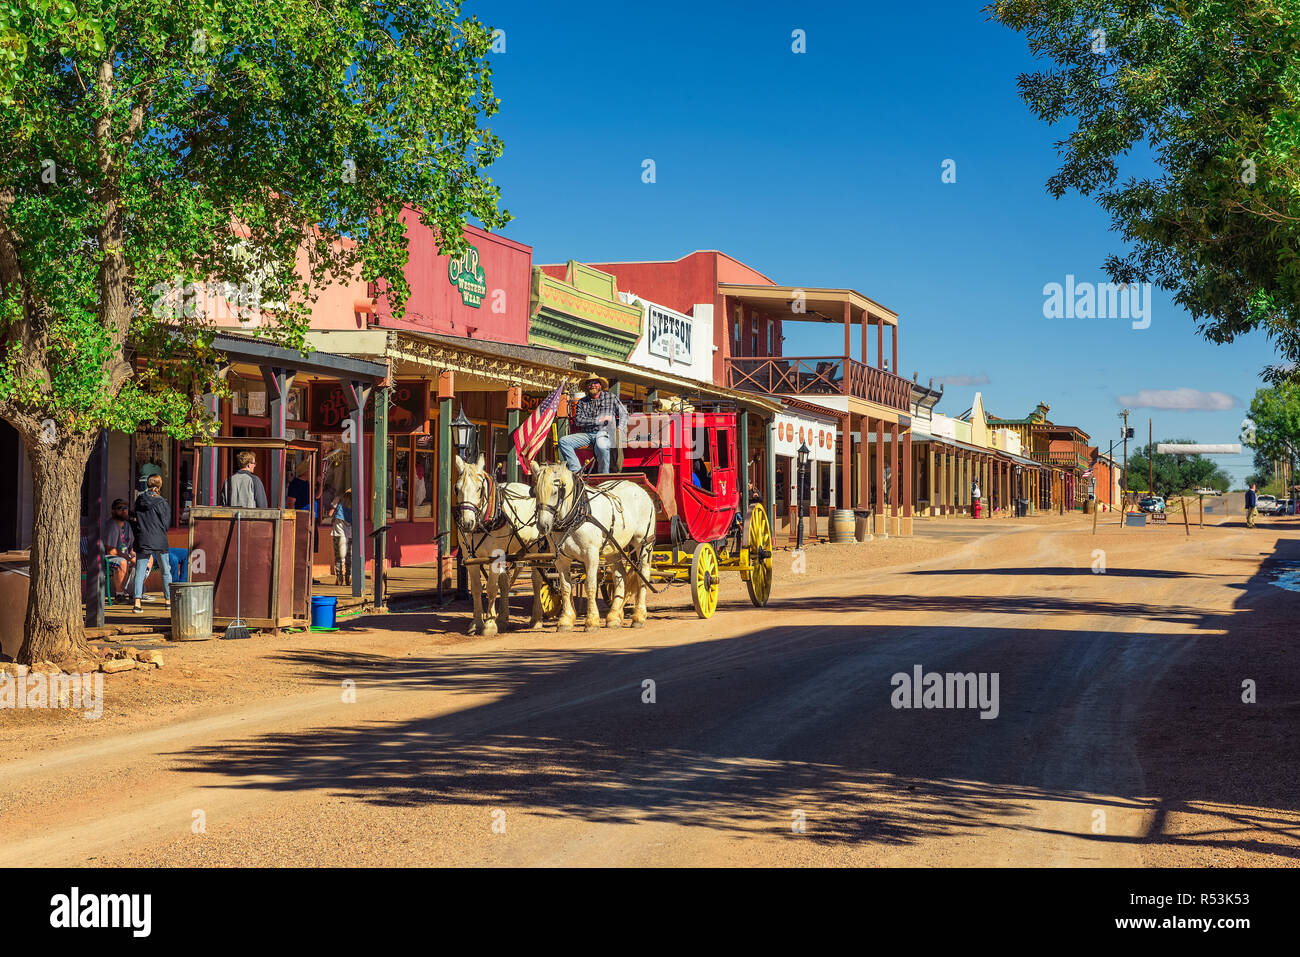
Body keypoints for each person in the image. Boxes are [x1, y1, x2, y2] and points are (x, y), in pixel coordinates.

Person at [558, 375, 627, 474]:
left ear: (600, 385)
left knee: (602, 445)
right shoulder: (582, 402)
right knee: (563, 441)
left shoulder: (611, 398)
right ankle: (577, 472)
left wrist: (620, 428)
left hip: (604, 433)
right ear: (586, 386)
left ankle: (603, 476)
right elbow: (578, 420)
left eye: (595, 382)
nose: (592, 385)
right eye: (589, 383)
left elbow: (624, 413)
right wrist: (598, 420)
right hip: (587, 434)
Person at [131, 474, 172, 613]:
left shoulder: (139, 500)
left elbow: (135, 519)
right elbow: (166, 523)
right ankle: (168, 601)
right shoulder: (162, 502)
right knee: (165, 570)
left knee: (140, 571)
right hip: (159, 539)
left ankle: (137, 603)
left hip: (143, 539)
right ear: (159, 485)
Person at [103, 499, 136, 602]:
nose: (124, 510)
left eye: (125, 508)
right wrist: (128, 557)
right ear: (113, 511)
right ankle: (119, 595)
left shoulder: (127, 525)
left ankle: (135, 592)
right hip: (108, 558)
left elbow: (131, 546)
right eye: (120, 508)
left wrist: (134, 555)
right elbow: (111, 551)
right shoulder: (111, 525)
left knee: (147, 560)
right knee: (123, 562)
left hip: (125, 556)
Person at [329, 491, 353, 587]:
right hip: (350, 532)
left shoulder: (338, 499)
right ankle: (349, 576)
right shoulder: (355, 503)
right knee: (349, 555)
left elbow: (330, 513)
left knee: (338, 556)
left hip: (338, 532)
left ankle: (339, 577)